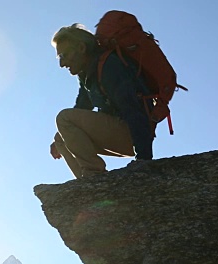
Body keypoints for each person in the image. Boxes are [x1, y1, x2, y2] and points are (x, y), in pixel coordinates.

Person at [50, 23, 154, 178]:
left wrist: (144, 159)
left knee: (64, 118)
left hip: (132, 133)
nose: (62, 64)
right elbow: (81, 109)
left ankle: (93, 174)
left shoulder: (109, 67)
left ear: (81, 48)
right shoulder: (87, 75)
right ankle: (87, 182)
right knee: (60, 138)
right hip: (121, 132)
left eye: (64, 55)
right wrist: (62, 138)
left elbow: (132, 110)